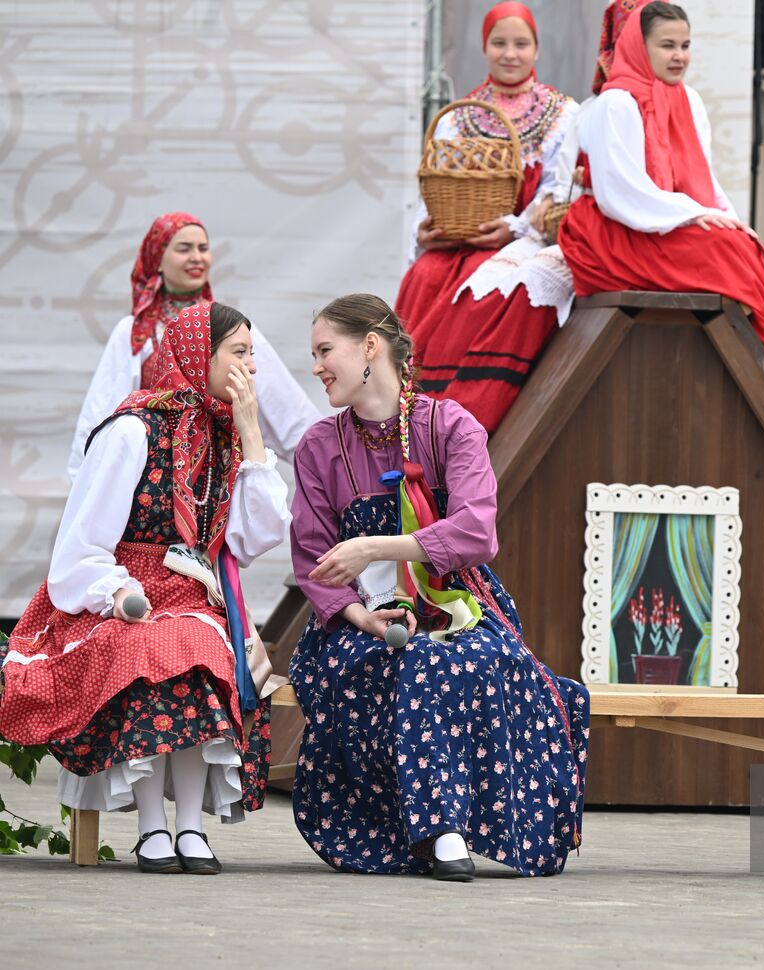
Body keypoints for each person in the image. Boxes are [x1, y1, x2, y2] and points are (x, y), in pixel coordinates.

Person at [288, 293, 588, 881]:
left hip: (460, 605)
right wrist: (360, 617)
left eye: (326, 351)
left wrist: (376, 546)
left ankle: (446, 829)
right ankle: (439, 831)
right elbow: (312, 561)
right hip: (356, 622)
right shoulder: (319, 446)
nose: (317, 366)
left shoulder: (450, 424)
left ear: (370, 347)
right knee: (402, 658)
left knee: (460, 657)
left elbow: (477, 531)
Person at [1, 303, 289, 874]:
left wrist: (254, 434)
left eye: (252, 354)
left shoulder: (229, 438)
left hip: (195, 594)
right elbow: (79, 547)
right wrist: (117, 594)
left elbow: (258, 536)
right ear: (195, 356)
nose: (252, 367)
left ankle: (188, 827)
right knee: (156, 646)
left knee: (198, 648)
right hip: (116, 591)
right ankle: (152, 826)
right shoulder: (134, 428)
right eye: (239, 353)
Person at [557, 0, 764, 434]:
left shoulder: (689, 100)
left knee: (741, 246)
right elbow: (620, 193)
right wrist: (697, 215)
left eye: (685, 45)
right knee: (726, 253)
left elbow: (705, 180)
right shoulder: (615, 103)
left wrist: (726, 218)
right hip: (612, 231)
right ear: (639, 48)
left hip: (661, 221)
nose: (679, 55)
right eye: (667, 46)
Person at [394, 3, 580, 433]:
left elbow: (557, 188)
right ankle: (405, 404)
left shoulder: (563, 113)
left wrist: (515, 226)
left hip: (517, 239)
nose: (510, 54)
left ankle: (454, 407)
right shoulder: (459, 115)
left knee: (481, 281)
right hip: (457, 238)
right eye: (500, 43)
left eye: (521, 44)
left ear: (536, 49)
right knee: (424, 274)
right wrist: (427, 229)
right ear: (485, 48)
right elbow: (435, 178)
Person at [69, 212, 322, 481]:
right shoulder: (136, 331)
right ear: (157, 259)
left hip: (220, 470)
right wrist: (86, 480)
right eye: (184, 248)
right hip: (154, 477)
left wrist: (328, 459)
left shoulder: (230, 327)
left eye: (203, 248)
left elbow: (282, 404)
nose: (197, 257)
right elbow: (102, 411)